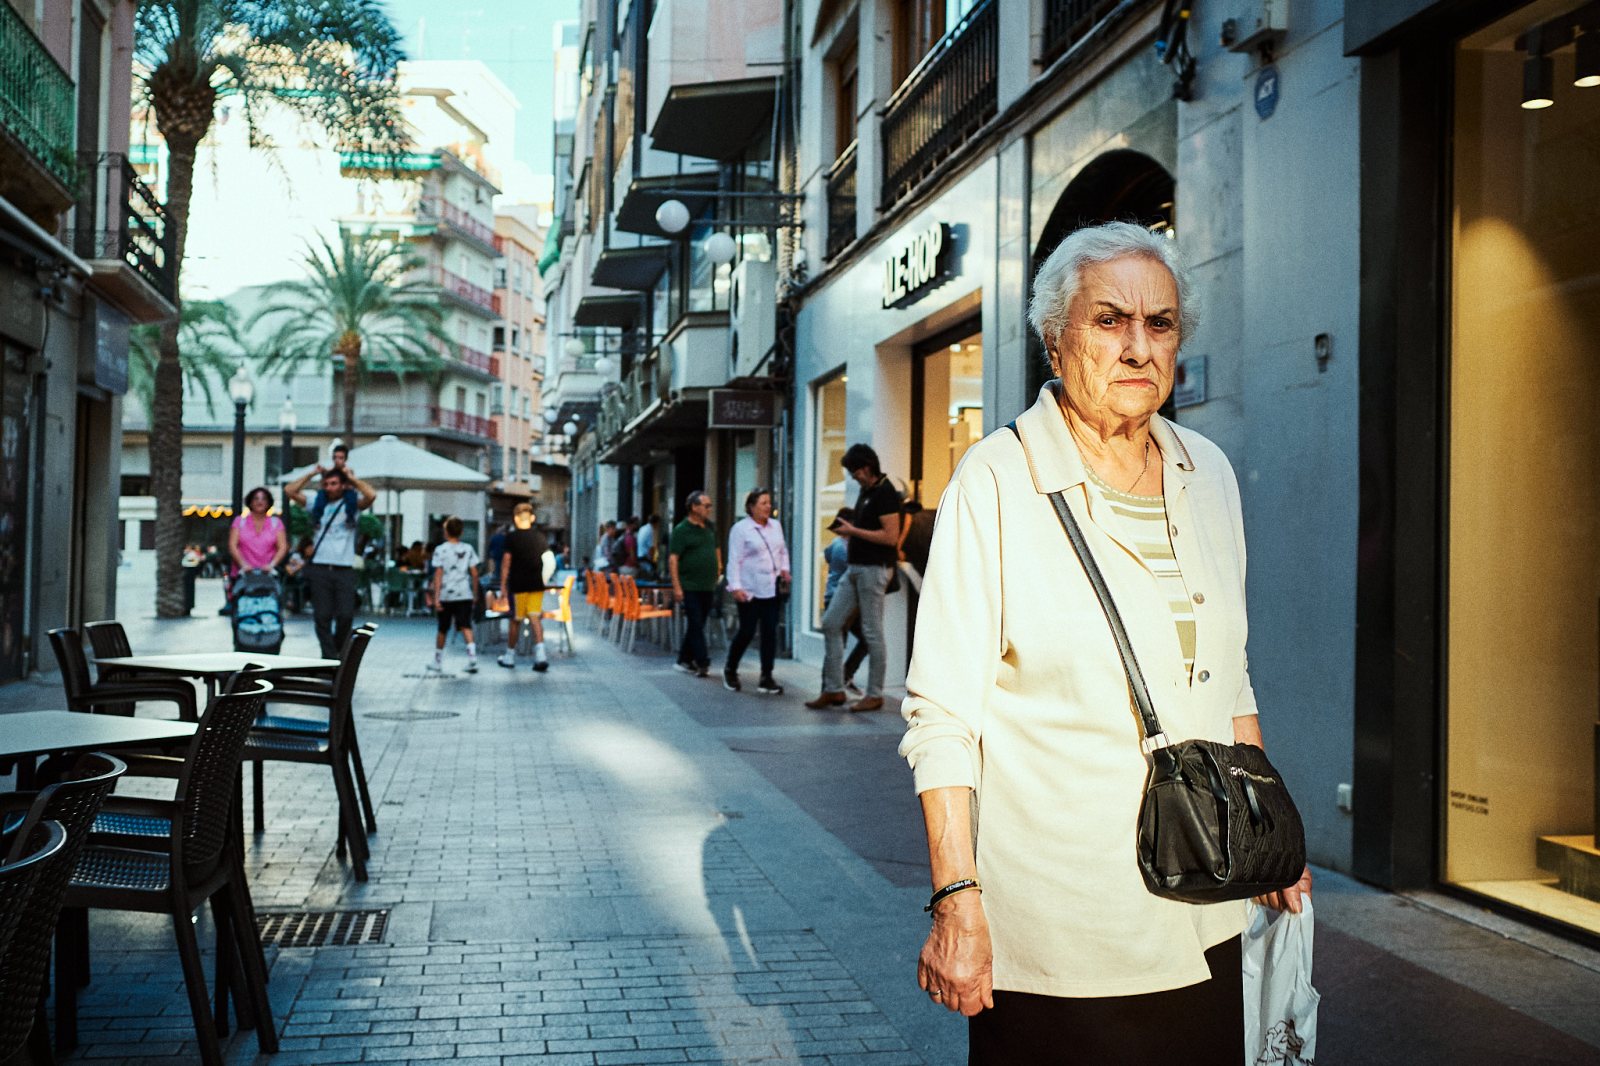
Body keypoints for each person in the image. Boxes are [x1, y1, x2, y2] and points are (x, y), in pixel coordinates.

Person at [899, 222, 1310, 1061]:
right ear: (1057, 340)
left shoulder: (1208, 473)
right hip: (1064, 928)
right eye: (1110, 320)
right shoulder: (997, 481)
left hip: (1208, 901)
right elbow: (942, 717)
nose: (1138, 347)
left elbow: (1227, 676)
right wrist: (956, 899)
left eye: (1160, 324)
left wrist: (1268, 832)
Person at [806, 443, 902, 713]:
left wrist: (853, 531)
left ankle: (874, 694)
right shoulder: (866, 491)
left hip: (874, 569)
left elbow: (890, 536)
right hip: (856, 568)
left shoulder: (885, 492)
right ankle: (834, 689)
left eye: (854, 471)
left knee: (871, 631)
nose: (853, 477)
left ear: (867, 467)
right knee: (831, 622)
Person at [286, 462, 377, 658]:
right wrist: (311, 474)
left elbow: (371, 495)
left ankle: (337, 651)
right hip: (319, 567)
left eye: (334, 483)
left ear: (342, 485)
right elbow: (290, 490)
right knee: (322, 616)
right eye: (326, 484)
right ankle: (329, 658)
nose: (329, 488)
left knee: (346, 615)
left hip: (344, 568)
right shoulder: (316, 502)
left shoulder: (352, 504)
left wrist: (351, 478)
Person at [722, 488, 790, 695]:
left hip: (771, 586)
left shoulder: (776, 526)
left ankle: (766, 676)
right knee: (747, 631)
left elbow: (782, 551)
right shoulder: (741, 529)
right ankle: (730, 669)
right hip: (749, 588)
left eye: (769, 502)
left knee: (770, 632)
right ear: (751, 507)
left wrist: (785, 569)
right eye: (763, 503)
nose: (768, 506)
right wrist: (735, 586)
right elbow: (734, 559)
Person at [669, 490, 720, 677]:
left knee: (697, 624)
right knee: (696, 622)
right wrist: (677, 587)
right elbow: (673, 559)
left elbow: (716, 550)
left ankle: (684, 658)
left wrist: (718, 568)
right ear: (694, 507)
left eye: (710, 506)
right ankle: (702, 661)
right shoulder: (681, 530)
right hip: (689, 585)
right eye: (706, 506)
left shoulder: (710, 528)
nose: (709, 509)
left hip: (708, 585)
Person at [497, 503, 551, 673]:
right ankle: (541, 656)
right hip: (536, 584)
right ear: (532, 518)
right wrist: (544, 579)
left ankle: (509, 656)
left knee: (515, 620)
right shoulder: (540, 537)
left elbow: (506, 563)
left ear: (515, 519)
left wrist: (503, 586)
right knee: (535, 618)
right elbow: (549, 560)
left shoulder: (511, 538)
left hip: (518, 585)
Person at [426, 515, 480, 673]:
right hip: (464, 593)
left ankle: (437, 661)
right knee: (466, 625)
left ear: (446, 532)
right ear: (461, 532)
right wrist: (475, 593)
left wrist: (436, 598)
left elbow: (438, 574)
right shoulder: (468, 549)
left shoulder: (440, 550)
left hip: (446, 595)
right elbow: (475, 573)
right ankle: (472, 658)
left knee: (442, 628)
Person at [821, 526, 869, 695]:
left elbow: (827, 556)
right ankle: (832, 685)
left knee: (839, 644)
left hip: (835, 597)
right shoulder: (844, 548)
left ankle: (837, 680)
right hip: (841, 600)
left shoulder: (835, 544)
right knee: (839, 644)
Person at [228, 486, 289, 577]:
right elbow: (232, 545)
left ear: (268, 503)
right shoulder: (239, 522)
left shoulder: (276, 523)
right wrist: (243, 564)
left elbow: (282, 547)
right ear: (250, 502)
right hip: (243, 574)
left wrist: (272, 565)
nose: (260, 502)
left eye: (264, 499)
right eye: (256, 498)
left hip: (268, 575)